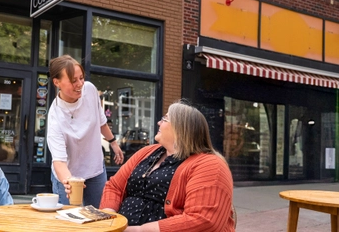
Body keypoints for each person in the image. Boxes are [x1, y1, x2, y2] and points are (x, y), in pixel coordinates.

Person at [99, 100, 235, 232]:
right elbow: (115, 186)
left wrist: (139, 230)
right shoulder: (147, 152)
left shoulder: (210, 165)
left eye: (165, 119)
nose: (159, 122)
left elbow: (203, 220)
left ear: (181, 128)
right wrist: (108, 218)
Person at [47, 54, 125, 208]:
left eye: (81, 78)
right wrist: (69, 182)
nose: (80, 84)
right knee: (69, 221)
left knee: (98, 217)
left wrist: (113, 143)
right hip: (69, 175)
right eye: (73, 80)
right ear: (57, 82)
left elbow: (101, 121)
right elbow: (59, 161)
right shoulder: (55, 117)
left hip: (95, 169)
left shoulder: (89, 90)